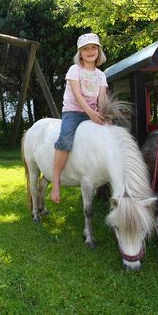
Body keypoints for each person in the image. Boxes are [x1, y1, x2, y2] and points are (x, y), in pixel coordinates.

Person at [51, 33, 109, 204]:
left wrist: (105, 115)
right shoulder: (74, 70)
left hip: (92, 112)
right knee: (65, 140)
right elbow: (77, 95)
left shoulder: (101, 75)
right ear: (80, 53)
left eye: (93, 48)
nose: (90, 51)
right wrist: (90, 113)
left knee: (107, 137)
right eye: (85, 49)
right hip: (74, 112)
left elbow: (102, 99)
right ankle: (55, 182)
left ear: (98, 51)